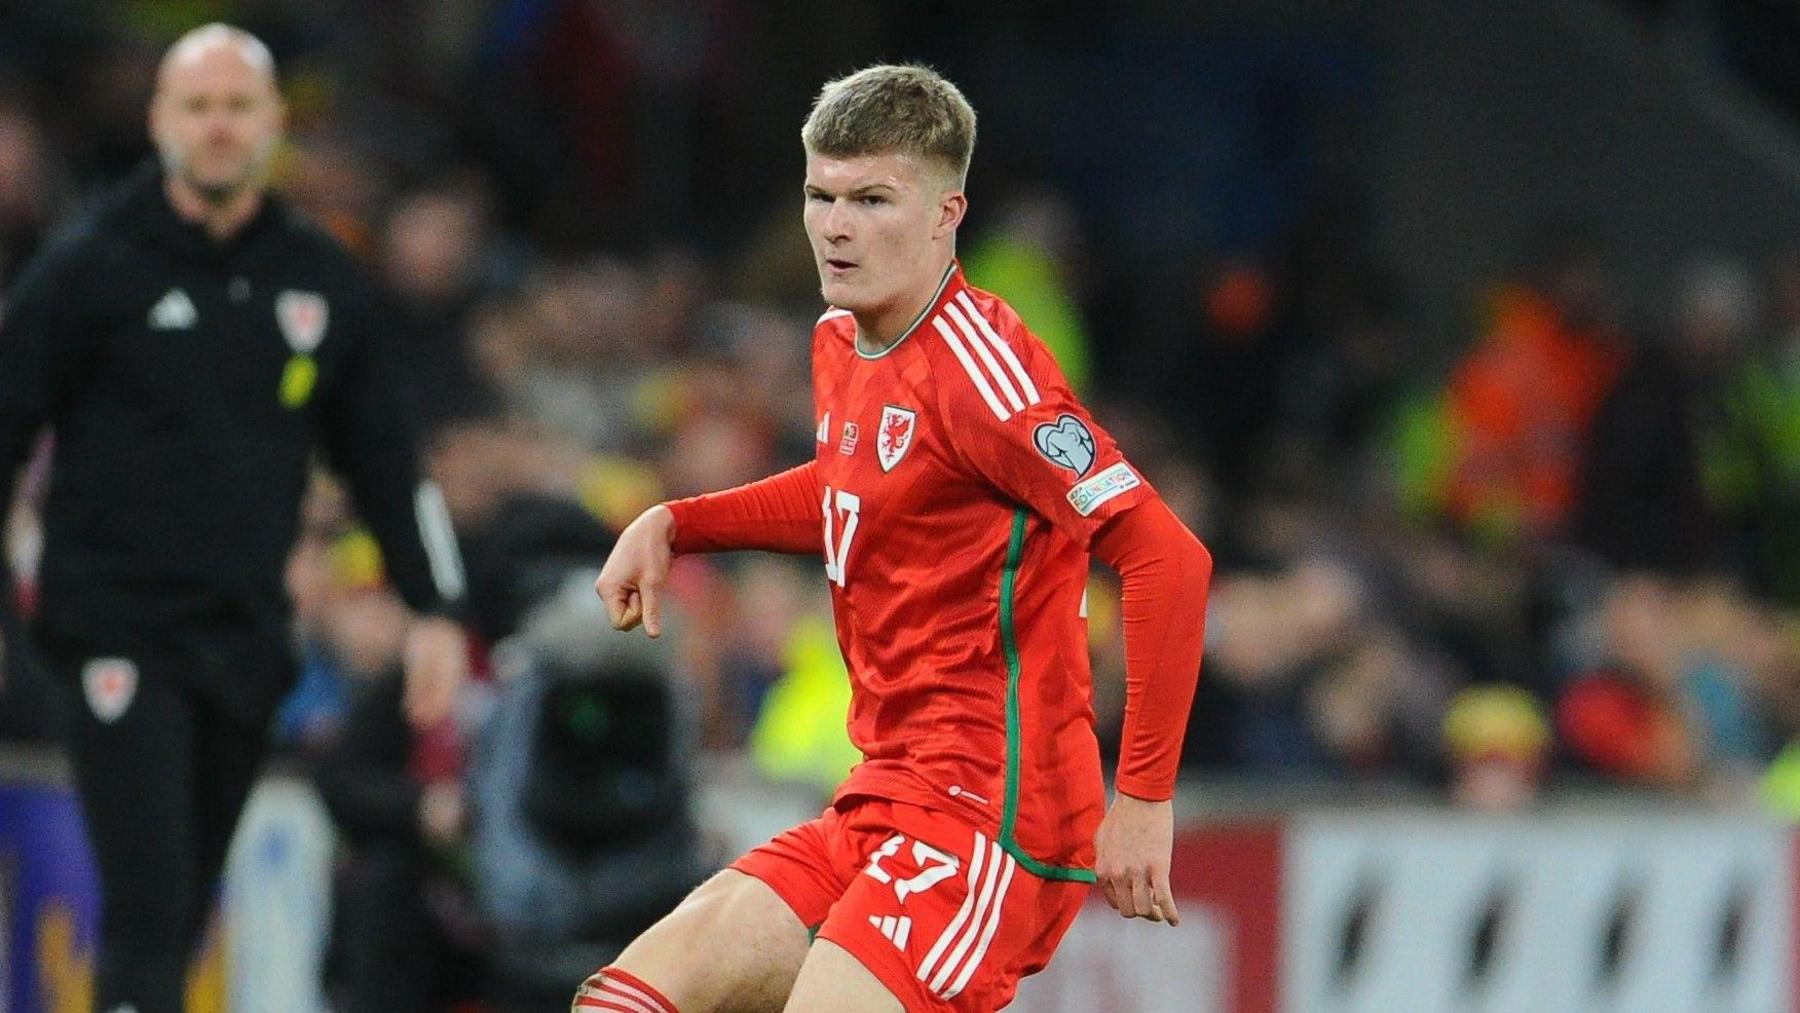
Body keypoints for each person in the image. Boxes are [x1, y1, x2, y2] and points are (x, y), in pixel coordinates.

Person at [581, 65, 1212, 1013]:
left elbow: (1169, 556)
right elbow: (861, 491)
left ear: (945, 211)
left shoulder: (985, 374)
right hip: (882, 796)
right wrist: (681, 522)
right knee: (625, 1002)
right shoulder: (845, 339)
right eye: (820, 195)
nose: (836, 225)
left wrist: (1147, 798)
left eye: (872, 198)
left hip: (992, 819)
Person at [0, 25, 467, 1013]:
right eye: (198, 106)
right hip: (114, 626)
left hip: (245, 636)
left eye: (238, 107)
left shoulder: (317, 279)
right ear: (162, 121)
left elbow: (386, 456)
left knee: (189, 895)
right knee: (150, 900)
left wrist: (435, 606)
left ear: (271, 126)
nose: (218, 127)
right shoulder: (89, 267)